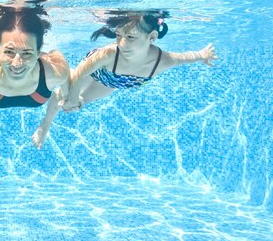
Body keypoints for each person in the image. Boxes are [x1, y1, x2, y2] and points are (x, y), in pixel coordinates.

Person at [32, 9, 218, 148]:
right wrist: (71, 97)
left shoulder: (162, 61)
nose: (121, 43)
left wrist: (203, 55)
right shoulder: (109, 53)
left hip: (114, 82)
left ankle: (67, 103)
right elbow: (80, 73)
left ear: (152, 37)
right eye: (118, 35)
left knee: (78, 102)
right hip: (96, 69)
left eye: (130, 37)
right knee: (63, 96)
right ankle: (45, 124)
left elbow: (185, 58)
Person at [0, 6, 70, 141]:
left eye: (27, 53)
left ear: (39, 52)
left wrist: (67, 96)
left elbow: (56, 55)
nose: (17, 64)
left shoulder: (55, 73)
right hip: (0, 52)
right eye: (9, 52)